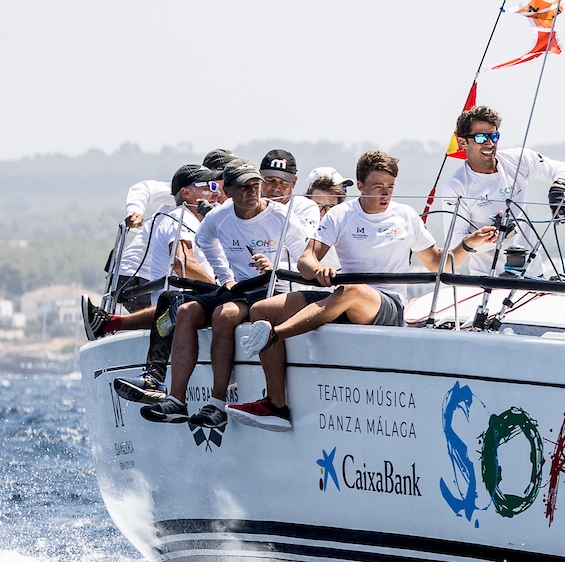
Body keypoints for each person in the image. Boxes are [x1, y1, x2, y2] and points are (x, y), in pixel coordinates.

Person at [226, 152, 493, 430]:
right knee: (262, 309)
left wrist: (469, 244)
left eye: (390, 186)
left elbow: (437, 262)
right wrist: (318, 269)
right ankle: (276, 406)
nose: (385, 193)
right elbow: (306, 259)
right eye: (378, 186)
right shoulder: (341, 214)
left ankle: (274, 335)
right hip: (343, 296)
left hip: (387, 304)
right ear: (361, 186)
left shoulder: (406, 215)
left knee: (351, 290)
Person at [133, 161, 295, 431]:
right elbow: (204, 240)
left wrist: (275, 267)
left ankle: (217, 403)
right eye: (244, 187)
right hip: (239, 287)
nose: (252, 192)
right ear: (228, 190)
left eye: (256, 185)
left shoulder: (281, 216)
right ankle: (176, 400)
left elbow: (304, 256)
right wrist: (225, 276)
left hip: (270, 289)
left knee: (224, 314)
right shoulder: (219, 217)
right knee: (185, 311)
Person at [426, 106, 565, 272]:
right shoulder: (456, 186)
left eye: (494, 136)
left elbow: (561, 169)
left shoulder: (516, 160)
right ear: (462, 142)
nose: (490, 143)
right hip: (487, 281)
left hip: (533, 276)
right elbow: (456, 246)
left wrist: (558, 189)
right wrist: (495, 236)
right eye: (481, 138)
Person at [95, 164, 219, 347]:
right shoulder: (184, 200)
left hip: (163, 277)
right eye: (213, 183)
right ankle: (107, 323)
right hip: (135, 275)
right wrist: (135, 211)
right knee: (162, 320)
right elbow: (143, 188)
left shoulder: (215, 207)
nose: (216, 189)